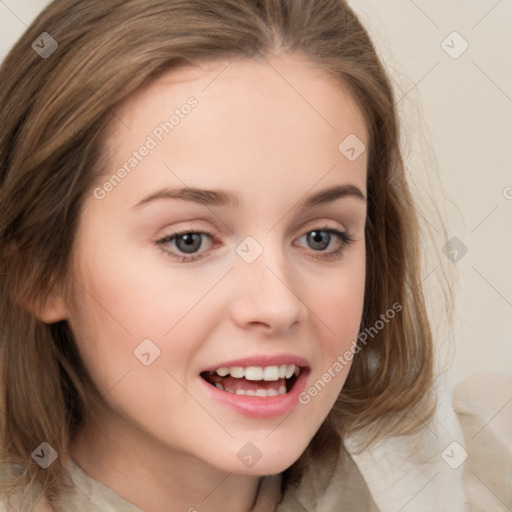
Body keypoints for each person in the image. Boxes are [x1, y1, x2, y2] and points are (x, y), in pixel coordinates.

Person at [0, 0, 486, 510]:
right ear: (38, 271)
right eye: (189, 240)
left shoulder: (472, 479)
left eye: (321, 237)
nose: (277, 306)